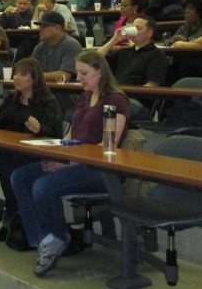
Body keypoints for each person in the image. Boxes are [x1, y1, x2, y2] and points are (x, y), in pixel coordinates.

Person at [11, 50, 129, 276]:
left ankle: (57, 238)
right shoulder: (85, 97)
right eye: (78, 73)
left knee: (43, 187)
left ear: (100, 71)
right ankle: (43, 239)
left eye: (84, 73)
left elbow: (108, 146)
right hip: (74, 160)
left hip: (100, 169)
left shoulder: (115, 100)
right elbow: (70, 135)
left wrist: (68, 163)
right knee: (21, 176)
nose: (79, 78)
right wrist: (57, 154)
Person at [0, 58, 63, 240]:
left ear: (34, 78)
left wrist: (39, 129)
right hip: (8, 148)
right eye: (15, 73)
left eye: (22, 74)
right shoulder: (11, 99)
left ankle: (12, 216)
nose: (16, 77)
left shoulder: (47, 101)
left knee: (9, 170)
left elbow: (55, 132)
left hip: (31, 152)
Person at [98, 16, 168, 87]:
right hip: (117, 91)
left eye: (138, 28)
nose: (134, 31)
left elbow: (152, 85)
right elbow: (95, 59)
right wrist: (114, 40)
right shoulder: (124, 52)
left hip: (137, 93)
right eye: (133, 27)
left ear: (149, 33)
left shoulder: (157, 54)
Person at [31, 11, 83, 83]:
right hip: (45, 88)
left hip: (66, 89)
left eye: (44, 27)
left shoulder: (71, 45)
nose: (40, 30)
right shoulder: (40, 47)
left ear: (57, 28)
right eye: (40, 27)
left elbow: (64, 77)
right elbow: (31, 69)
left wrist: (35, 76)